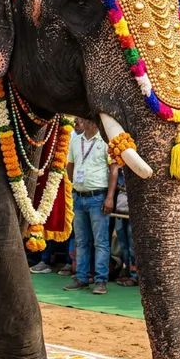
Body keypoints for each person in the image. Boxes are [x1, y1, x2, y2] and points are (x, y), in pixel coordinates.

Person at [64, 116, 118, 294]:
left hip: (98, 197)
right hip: (79, 196)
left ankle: (100, 280)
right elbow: (70, 165)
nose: (84, 123)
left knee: (100, 241)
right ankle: (81, 277)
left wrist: (110, 197)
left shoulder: (105, 142)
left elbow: (114, 169)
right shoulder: (75, 141)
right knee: (81, 240)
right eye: (83, 120)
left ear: (94, 122)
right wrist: (73, 186)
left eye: (86, 120)